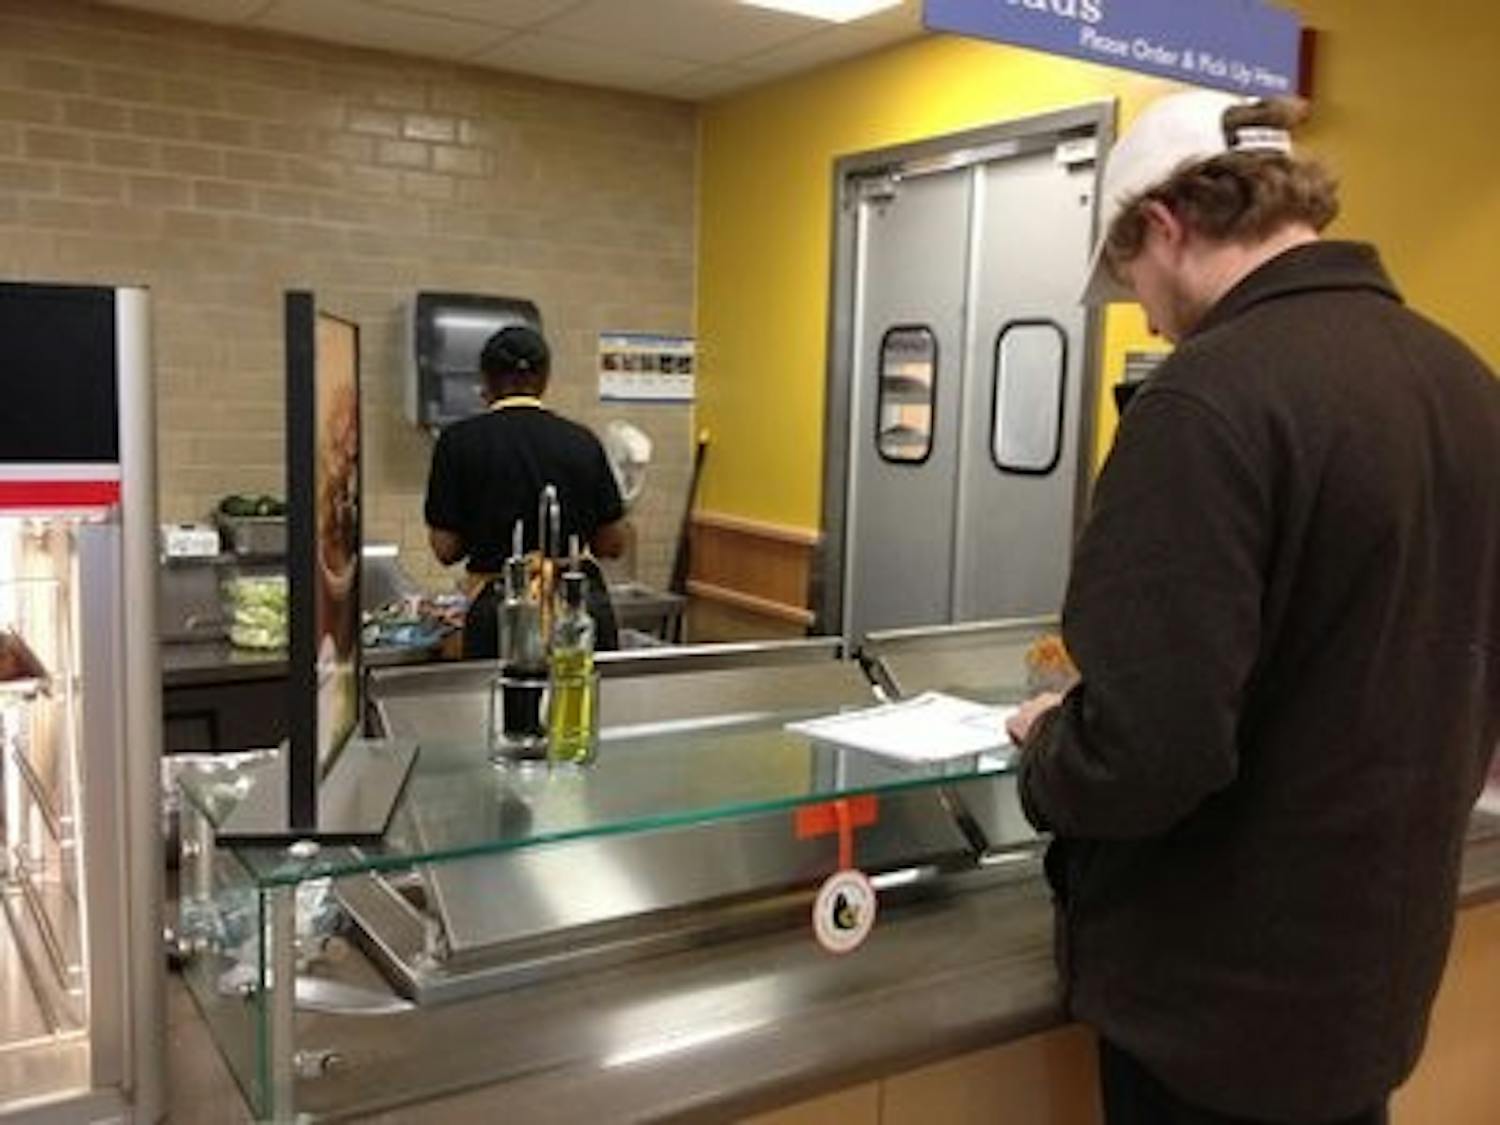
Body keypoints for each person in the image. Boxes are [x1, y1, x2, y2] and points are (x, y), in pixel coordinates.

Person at [1005, 90, 1500, 1125]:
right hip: (1368, 995)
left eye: (1132, 281)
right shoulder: (1465, 382)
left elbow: (1148, 753)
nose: (1146, 317)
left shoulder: (1205, 399)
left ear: (1166, 226)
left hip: (1214, 1014)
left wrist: (1049, 748)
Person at [424, 324, 627, 657]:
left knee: (502, 690)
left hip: (498, 614)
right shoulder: (582, 442)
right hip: (575, 611)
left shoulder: (457, 442)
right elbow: (612, 544)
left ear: (485, 380)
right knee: (579, 690)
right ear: (545, 378)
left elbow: (446, 549)